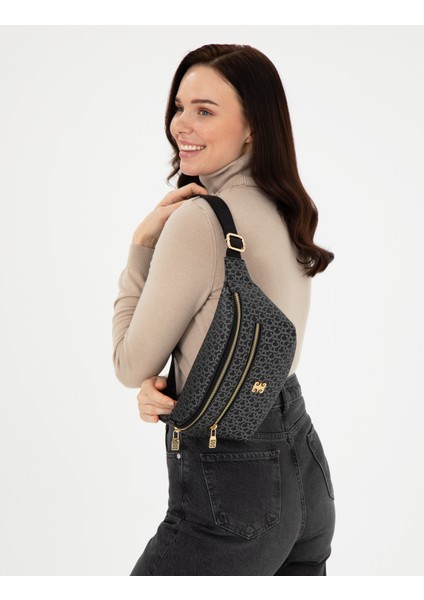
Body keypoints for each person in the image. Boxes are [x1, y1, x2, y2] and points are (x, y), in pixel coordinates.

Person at [112, 44, 336, 576]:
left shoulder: (200, 221)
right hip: (304, 474)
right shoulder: (286, 206)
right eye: (179, 106)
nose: (181, 125)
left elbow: (129, 363)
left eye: (205, 110)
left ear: (253, 126)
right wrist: (177, 386)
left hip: (235, 488)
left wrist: (141, 245)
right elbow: (237, 340)